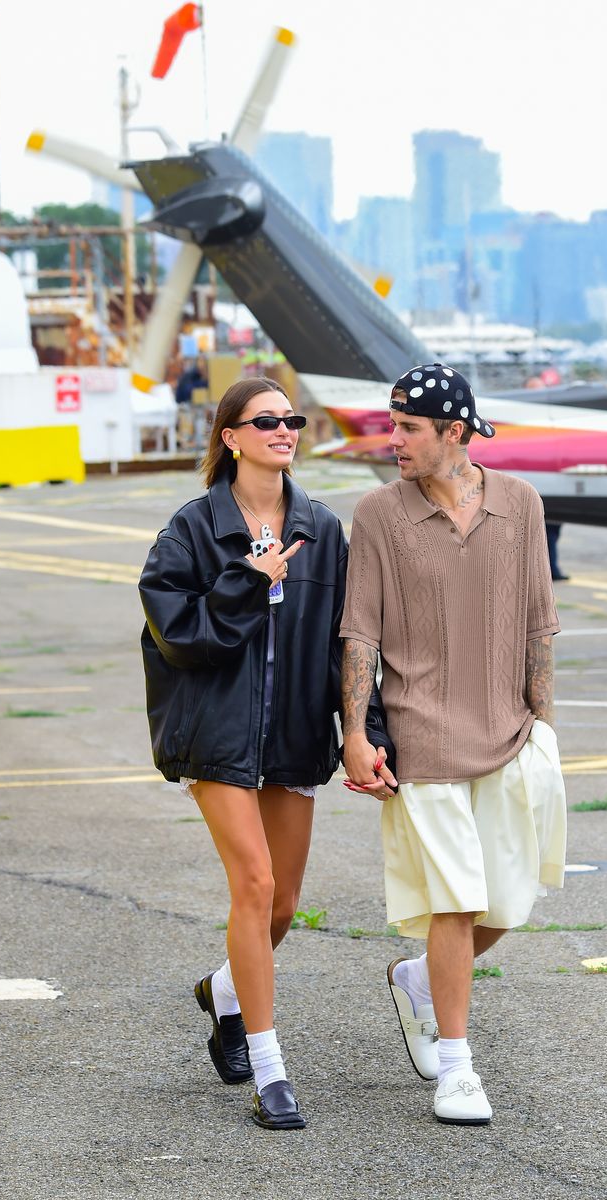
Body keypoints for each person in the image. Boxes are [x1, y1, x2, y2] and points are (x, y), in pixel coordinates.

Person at [340, 363, 567, 1127]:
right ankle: (458, 1068)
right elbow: (358, 635)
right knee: (456, 902)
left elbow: (539, 623)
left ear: (455, 433)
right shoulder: (377, 513)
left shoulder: (521, 504)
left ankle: (417, 979)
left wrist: (541, 725)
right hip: (421, 740)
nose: (392, 440)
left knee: (507, 904)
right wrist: (351, 734)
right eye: (392, 425)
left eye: (407, 429)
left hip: (509, 737)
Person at [139, 376, 356, 1131]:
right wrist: (246, 578)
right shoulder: (194, 529)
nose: (284, 430)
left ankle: (224, 993)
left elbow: (344, 645)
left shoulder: (324, 530)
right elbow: (177, 636)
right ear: (229, 436)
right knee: (255, 885)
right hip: (216, 737)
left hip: (293, 736)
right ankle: (271, 1071)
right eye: (265, 421)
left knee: (286, 903)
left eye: (291, 420)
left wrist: (363, 732)